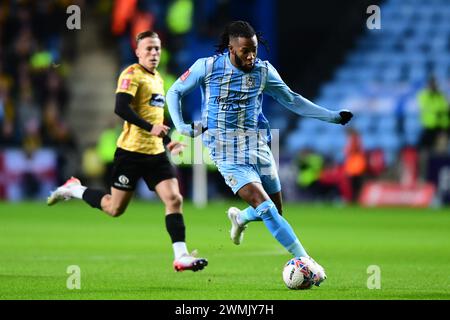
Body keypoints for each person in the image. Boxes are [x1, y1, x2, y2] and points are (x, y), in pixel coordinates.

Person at [166, 21, 353, 286]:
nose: (251, 55)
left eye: (254, 50)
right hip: (225, 151)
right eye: (245, 51)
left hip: (258, 145)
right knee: (265, 207)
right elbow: (174, 91)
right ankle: (306, 260)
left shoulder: (263, 72)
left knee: (275, 210)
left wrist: (332, 117)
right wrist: (182, 125)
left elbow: (291, 99)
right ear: (231, 48)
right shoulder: (206, 67)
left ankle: (240, 217)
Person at [47, 31, 207, 272]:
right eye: (149, 49)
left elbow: (157, 117)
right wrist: (149, 127)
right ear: (138, 52)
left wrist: (168, 142)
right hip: (130, 152)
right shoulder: (131, 74)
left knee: (174, 199)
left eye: (157, 48)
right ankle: (75, 189)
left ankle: (181, 255)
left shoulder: (159, 79)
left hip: (154, 153)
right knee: (114, 209)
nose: (154, 53)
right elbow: (120, 107)